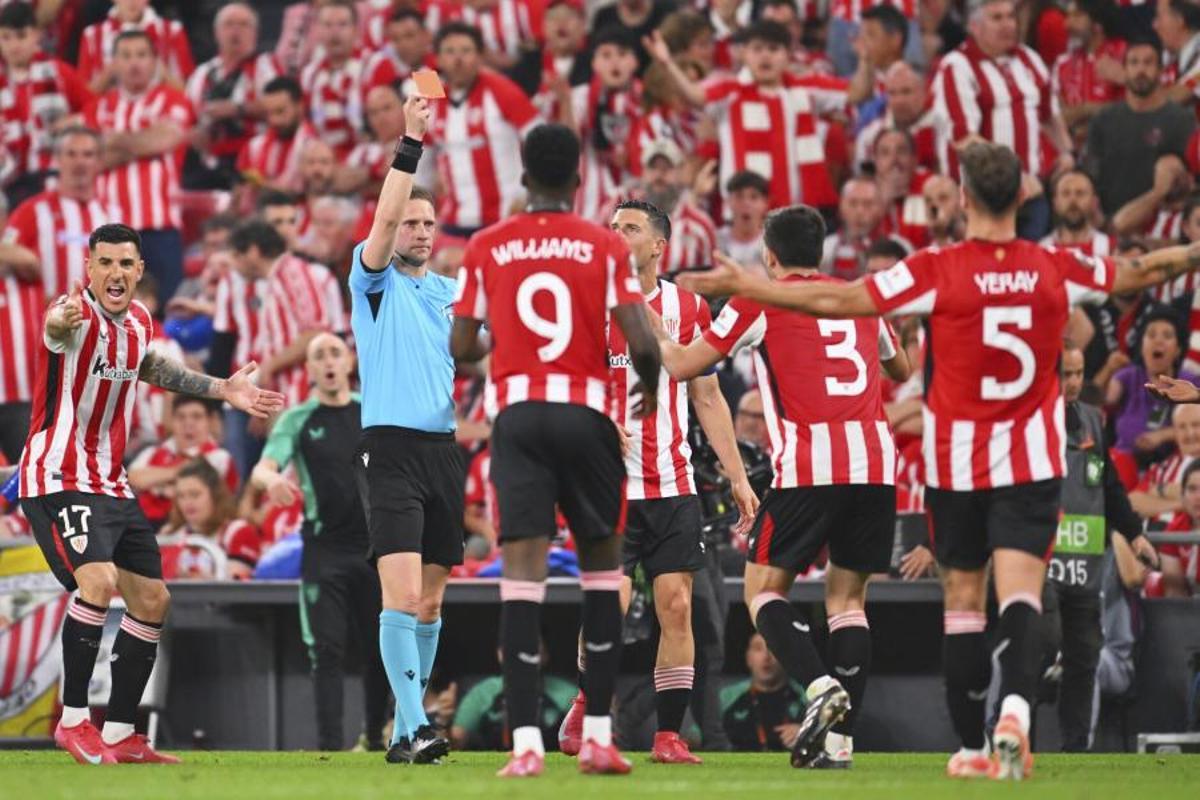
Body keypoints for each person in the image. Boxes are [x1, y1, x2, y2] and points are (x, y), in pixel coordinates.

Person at [677, 140, 1200, 779]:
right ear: (1022, 196)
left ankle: (867, 705)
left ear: (965, 198)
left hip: (924, 463)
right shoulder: (1050, 263)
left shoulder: (928, 269)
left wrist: (717, 297)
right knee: (915, 600)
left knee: (804, 593)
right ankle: (954, 720)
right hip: (963, 464)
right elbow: (1137, 271)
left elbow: (721, 349)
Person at [657, 204, 910, 769]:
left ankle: (819, 685)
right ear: (818, 253)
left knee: (763, 591)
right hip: (874, 463)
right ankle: (840, 743)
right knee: (848, 601)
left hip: (810, 465)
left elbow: (683, 366)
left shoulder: (761, 299)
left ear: (769, 256)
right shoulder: (858, 295)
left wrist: (655, 326)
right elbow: (903, 370)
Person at [18, 222, 282, 765]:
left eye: (126, 264)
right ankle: (72, 722)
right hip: (58, 475)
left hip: (110, 480)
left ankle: (119, 731)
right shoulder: (73, 314)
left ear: (140, 270)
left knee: (152, 599)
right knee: (98, 580)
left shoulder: (138, 322)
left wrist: (221, 389)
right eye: (105, 263)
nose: (115, 273)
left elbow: (152, 368)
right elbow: (55, 330)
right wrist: (58, 318)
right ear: (88, 268)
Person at [450, 123, 662, 777]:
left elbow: (460, 347)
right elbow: (643, 339)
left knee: (522, 579)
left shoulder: (487, 245)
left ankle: (524, 748)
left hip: (517, 416)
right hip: (587, 414)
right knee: (602, 573)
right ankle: (598, 735)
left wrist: (497, 351)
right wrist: (649, 392)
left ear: (522, 180)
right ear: (577, 182)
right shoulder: (603, 245)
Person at [557, 199, 758, 765]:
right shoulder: (587, 303)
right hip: (609, 486)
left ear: (657, 246)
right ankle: (586, 705)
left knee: (676, 604)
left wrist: (738, 477)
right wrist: (597, 423)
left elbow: (708, 395)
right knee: (610, 604)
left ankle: (669, 734)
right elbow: (568, 381)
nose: (618, 235)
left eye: (631, 228)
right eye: (613, 227)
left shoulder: (688, 308)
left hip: (672, 482)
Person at [348, 97, 459, 765]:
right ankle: (416, 723)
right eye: (409, 221)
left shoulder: (452, 290)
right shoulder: (374, 282)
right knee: (404, 593)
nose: (417, 229)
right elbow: (384, 217)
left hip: (444, 451)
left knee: (433, 598)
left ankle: (401, 731)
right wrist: (410, 143)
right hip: (387, 449)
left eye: (427, 222)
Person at [251, 333, 389, 752]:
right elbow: (263, 468)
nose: (328, 361)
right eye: (318, 356)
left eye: (334, 353)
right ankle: (329, 746)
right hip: (324, 549)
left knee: (380, 648)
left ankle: (375, 738)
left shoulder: (375, 412)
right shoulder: (298, 418)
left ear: (349, 362)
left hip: (374, 548)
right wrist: (273, 479)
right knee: (326, 648)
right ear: (308, 370)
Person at [1047, 342, 1156, 751]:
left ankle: (1076, 748)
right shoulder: (1028, 423)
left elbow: (1109, 486)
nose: (1073, 383)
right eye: (1065, 375)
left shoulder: (1092, 420)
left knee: (1083, 656)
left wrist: (1133, 533)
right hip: (1037, 564)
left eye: (1078, 374)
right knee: (1027, 651)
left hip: (1084, 567)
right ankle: (999, 736)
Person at [646, 21, 846, 213]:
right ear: (743, 53)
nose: (765, 56)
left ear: (788, 55)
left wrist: (867, 60)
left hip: (795, 213)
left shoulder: (807, 88)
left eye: (773, 49)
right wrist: (668, 64)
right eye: (757, 49)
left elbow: (855, 93)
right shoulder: (729, 91)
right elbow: (695, 96)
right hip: (740, 215)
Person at [85, 30, 194, 307]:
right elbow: (88, 159)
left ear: (155, 61)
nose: (134, 63)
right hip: (109, 231)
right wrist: (144, 140)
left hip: (161, 227)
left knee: (169, 309)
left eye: (142, 55)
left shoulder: (173, 98)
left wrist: (114, 141)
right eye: (126, 55)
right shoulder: (97, 106)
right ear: (114, 63)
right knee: (109, 312)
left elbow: (168, 138)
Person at [932, 0, 1072, 183]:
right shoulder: (957, 66)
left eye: (1011, 17)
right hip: (981, 192)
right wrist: (1013, 176)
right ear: (974, 26)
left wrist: (1067, 153)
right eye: (997, 18)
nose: (1008, 25)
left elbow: (1049, 115)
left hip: (1032, 186)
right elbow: (965, 140)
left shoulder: (1029, 58)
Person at [423, 22, 540, 237]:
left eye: (466, 51)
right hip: (454, 222)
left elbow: (541, 141)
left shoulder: (502, 90)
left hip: (505, 217)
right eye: (449, 52)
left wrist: (530, 196)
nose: (458, 59)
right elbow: (422, 163)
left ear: (480, 56)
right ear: (438, 59)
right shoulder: (431, 98)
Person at [230, 219, 347, 409]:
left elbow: (315, 333)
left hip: (302, 395)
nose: (234, 265)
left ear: (252, 252)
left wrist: (270, 366)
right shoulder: (275, 279)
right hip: (285, 395)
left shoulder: (292, 274)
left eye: (236, 255)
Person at [1086, 36, 1195, 217]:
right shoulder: (1103, 120)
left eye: (1148, 63)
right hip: (1111, 221)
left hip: (1162, 224)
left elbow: (1189, 178)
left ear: (1160, 71)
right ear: (1125, 69)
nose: (1140, 70)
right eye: (1134, 63)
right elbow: (1091, 172)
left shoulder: (1181, 120)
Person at [0, 2, 91, 204]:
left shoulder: (59, 73)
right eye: (6, 37)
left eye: (21, 36)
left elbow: (96, 108)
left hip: (53, 176)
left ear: (36, 35)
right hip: (8, 183)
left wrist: (75, 120)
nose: (14, 45)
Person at [184, 2, 280, 188]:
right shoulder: (202, 73)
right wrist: (194, 134)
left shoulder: (266, 66)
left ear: (255, 32)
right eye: (229, 24)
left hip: (254, 161)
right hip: (209, 162)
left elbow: (280, 105)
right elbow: (186, 117)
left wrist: (238, 109)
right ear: (216, 33)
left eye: (244, 24)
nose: (236, 31)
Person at [299, 0, 396, 159]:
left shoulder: (376, 65)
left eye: (342, 24)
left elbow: (390, 123)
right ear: (317, 31)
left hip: (372, 155)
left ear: (356, 30)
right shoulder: (309, 75)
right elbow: (306, 125)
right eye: (327, 25)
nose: (334, 32)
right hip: (324, 161)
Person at [127, 395, 237, 528]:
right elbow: (132, 479)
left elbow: (200, 488)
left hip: (191, 528)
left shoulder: (219, 456)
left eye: (196, 417)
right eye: (181, 417)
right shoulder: (153, 452)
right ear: (172, 421)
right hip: (141, 526)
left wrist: (155, 482)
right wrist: (179, 472)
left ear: (210, 421)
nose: (188, 424)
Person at [1105, 309, 1195, 462]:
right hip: (1124, 462)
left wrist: (1163, 435)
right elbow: (1105, 399)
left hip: (1170, 465)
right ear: (1141, 346)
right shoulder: (1129, 376)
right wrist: (1108, 369)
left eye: (1167, 336)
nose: (1158, 341)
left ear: (1178, 350)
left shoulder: (1189, 382)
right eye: (1151, 335)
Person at [452, 647, 575, 751]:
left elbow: (585, 739)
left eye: (531, 647)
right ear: (500, 654)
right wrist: (443, 722)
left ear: (545, 655)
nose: (522, 656)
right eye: (516, 646)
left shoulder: (567, 693)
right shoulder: (483, 692)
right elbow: (457, 741)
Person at [159, 459, 261, 580]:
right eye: (181, 496)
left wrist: (195, 580)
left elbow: (236, 589)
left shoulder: (238, 531)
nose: (188, 503)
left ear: (215, 495)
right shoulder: (170, 534)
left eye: (195, 494)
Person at [76, 0, 193, 93]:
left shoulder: (173, 31)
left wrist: (159, 71)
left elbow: (188, 92)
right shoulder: (92, 35)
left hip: (160, 115)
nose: (132, 2)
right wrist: (109, 73)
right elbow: (83, 95)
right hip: (109, 117)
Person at [1052, 0, 1125, 145]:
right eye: (1068, 16)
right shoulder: (1062, 63)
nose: (1067, 24)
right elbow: (1056, 117)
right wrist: (1087, 109)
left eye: (1077, 16)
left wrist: (1085, 111)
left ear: (1097, 23)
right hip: (1074, 151)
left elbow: (1135, 108)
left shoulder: (1124, 54)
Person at [720, 633, 806, 751]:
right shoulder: (726, 697)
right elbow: (697, 736)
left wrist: (807, 732)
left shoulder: (806, 696)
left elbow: (832, 734)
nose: (766, 657)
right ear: (748, 658)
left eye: (773, 648)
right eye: (758, 648)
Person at [236, 76, 319, 196]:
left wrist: (264, 185)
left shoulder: (315, 147)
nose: (274, 120)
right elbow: (240, 195)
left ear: (300, 107)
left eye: (280, 111)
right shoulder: (253, 147)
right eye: (268, 113)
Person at [854, 62, 938, 174]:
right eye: (892, 93)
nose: (899, 101)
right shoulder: (870, 135)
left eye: (906, 92)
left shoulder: (943, 130)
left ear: (924, 93)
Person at [822, 177, 886, 281]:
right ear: (841, 207)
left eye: (868, 204)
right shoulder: (825, 248)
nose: (859, 211)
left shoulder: (898, 247)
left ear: (881, 208)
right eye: (853, 203)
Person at [1040, 170, 1116, 256]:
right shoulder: (1041, 250)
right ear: (1055, 203)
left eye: (1080, 193)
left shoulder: (1110, 248)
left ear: (1094, 202)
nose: (1073, 200)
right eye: (1065, 193)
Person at [717, 170, 770, 274]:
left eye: (754, 197)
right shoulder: (715, 241)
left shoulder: (775, 245)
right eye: (739, 196)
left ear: (765, 203)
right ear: (728, 202)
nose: (746, 203)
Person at [923, 173, 965, 247]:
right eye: (928, 200)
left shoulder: (979, 242)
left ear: (960, 202)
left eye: (943, 198)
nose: (934, 206)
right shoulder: (923, 255)